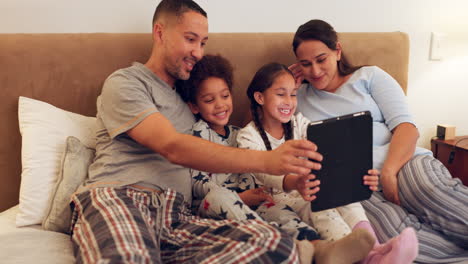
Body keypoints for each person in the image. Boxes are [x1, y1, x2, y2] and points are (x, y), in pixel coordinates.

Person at [68, 1, 326, 263]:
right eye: (190, 39)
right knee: (128, 257)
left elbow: (232, 126)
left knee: (276, 245)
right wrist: (267, 161)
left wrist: (282, 87)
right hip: (121, 197)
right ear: (160, 33)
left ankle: (318, 252)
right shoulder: (126, 83)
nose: (198, 52)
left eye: (203, 43)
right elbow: (172, 146)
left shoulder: (191, 103)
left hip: (178, 215)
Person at [289, 19, 468, 263]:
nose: (316, 71)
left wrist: (390, 171)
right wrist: (285, 84)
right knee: (394, 232)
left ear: (337, 51)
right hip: (353, 182)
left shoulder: (369, 76)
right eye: (305, 64)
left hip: (403, 161)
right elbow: (256, 123)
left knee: (429, 191)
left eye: (321, 59)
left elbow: (406, 128)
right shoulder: (295, 97)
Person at [180, 54, 380, 264]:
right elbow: (198, 183)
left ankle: (321, 247)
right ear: (194, 106)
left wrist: (354, 172)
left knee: (284, 210)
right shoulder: (198, 134)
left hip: (260, 201)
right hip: (218, 202)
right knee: (222, 196)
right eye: (210, 100)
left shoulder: (236, 133)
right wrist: (241, 196)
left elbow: (263, 135)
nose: (220, 105)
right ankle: (274, 239)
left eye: (225, 96)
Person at [237, 62, 419, 264]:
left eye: (293, 94)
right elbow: (263, 171)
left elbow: (328, 152)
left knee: (342, 194)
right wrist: (295, 182)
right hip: (277, 198)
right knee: (319, 204)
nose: (289, 101)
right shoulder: (247, 136)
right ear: (260, 97)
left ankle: (374, 248)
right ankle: (364, 258)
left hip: (308, 187)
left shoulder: (300, 123)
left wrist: (356, 173)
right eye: (281, 94)